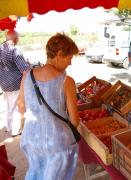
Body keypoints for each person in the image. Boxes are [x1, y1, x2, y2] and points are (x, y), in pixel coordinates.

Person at [17, 33, 80, 179]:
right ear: (59, 54)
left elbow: (21, 107)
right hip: (57, 144)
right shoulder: (67, 81)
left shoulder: (27, 76)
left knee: (36, 173)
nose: (70, 63)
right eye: (69, 58)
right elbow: (75, 121)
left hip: (31, 139)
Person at [0, 29, 29, 136]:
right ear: (15, 38)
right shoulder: (15, 49)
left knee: (8, 105)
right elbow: (24, 70)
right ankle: (16, 130)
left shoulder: (1, 47)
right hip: (16, 82)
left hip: (3, 82)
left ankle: (9, 127)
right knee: (17, 106)